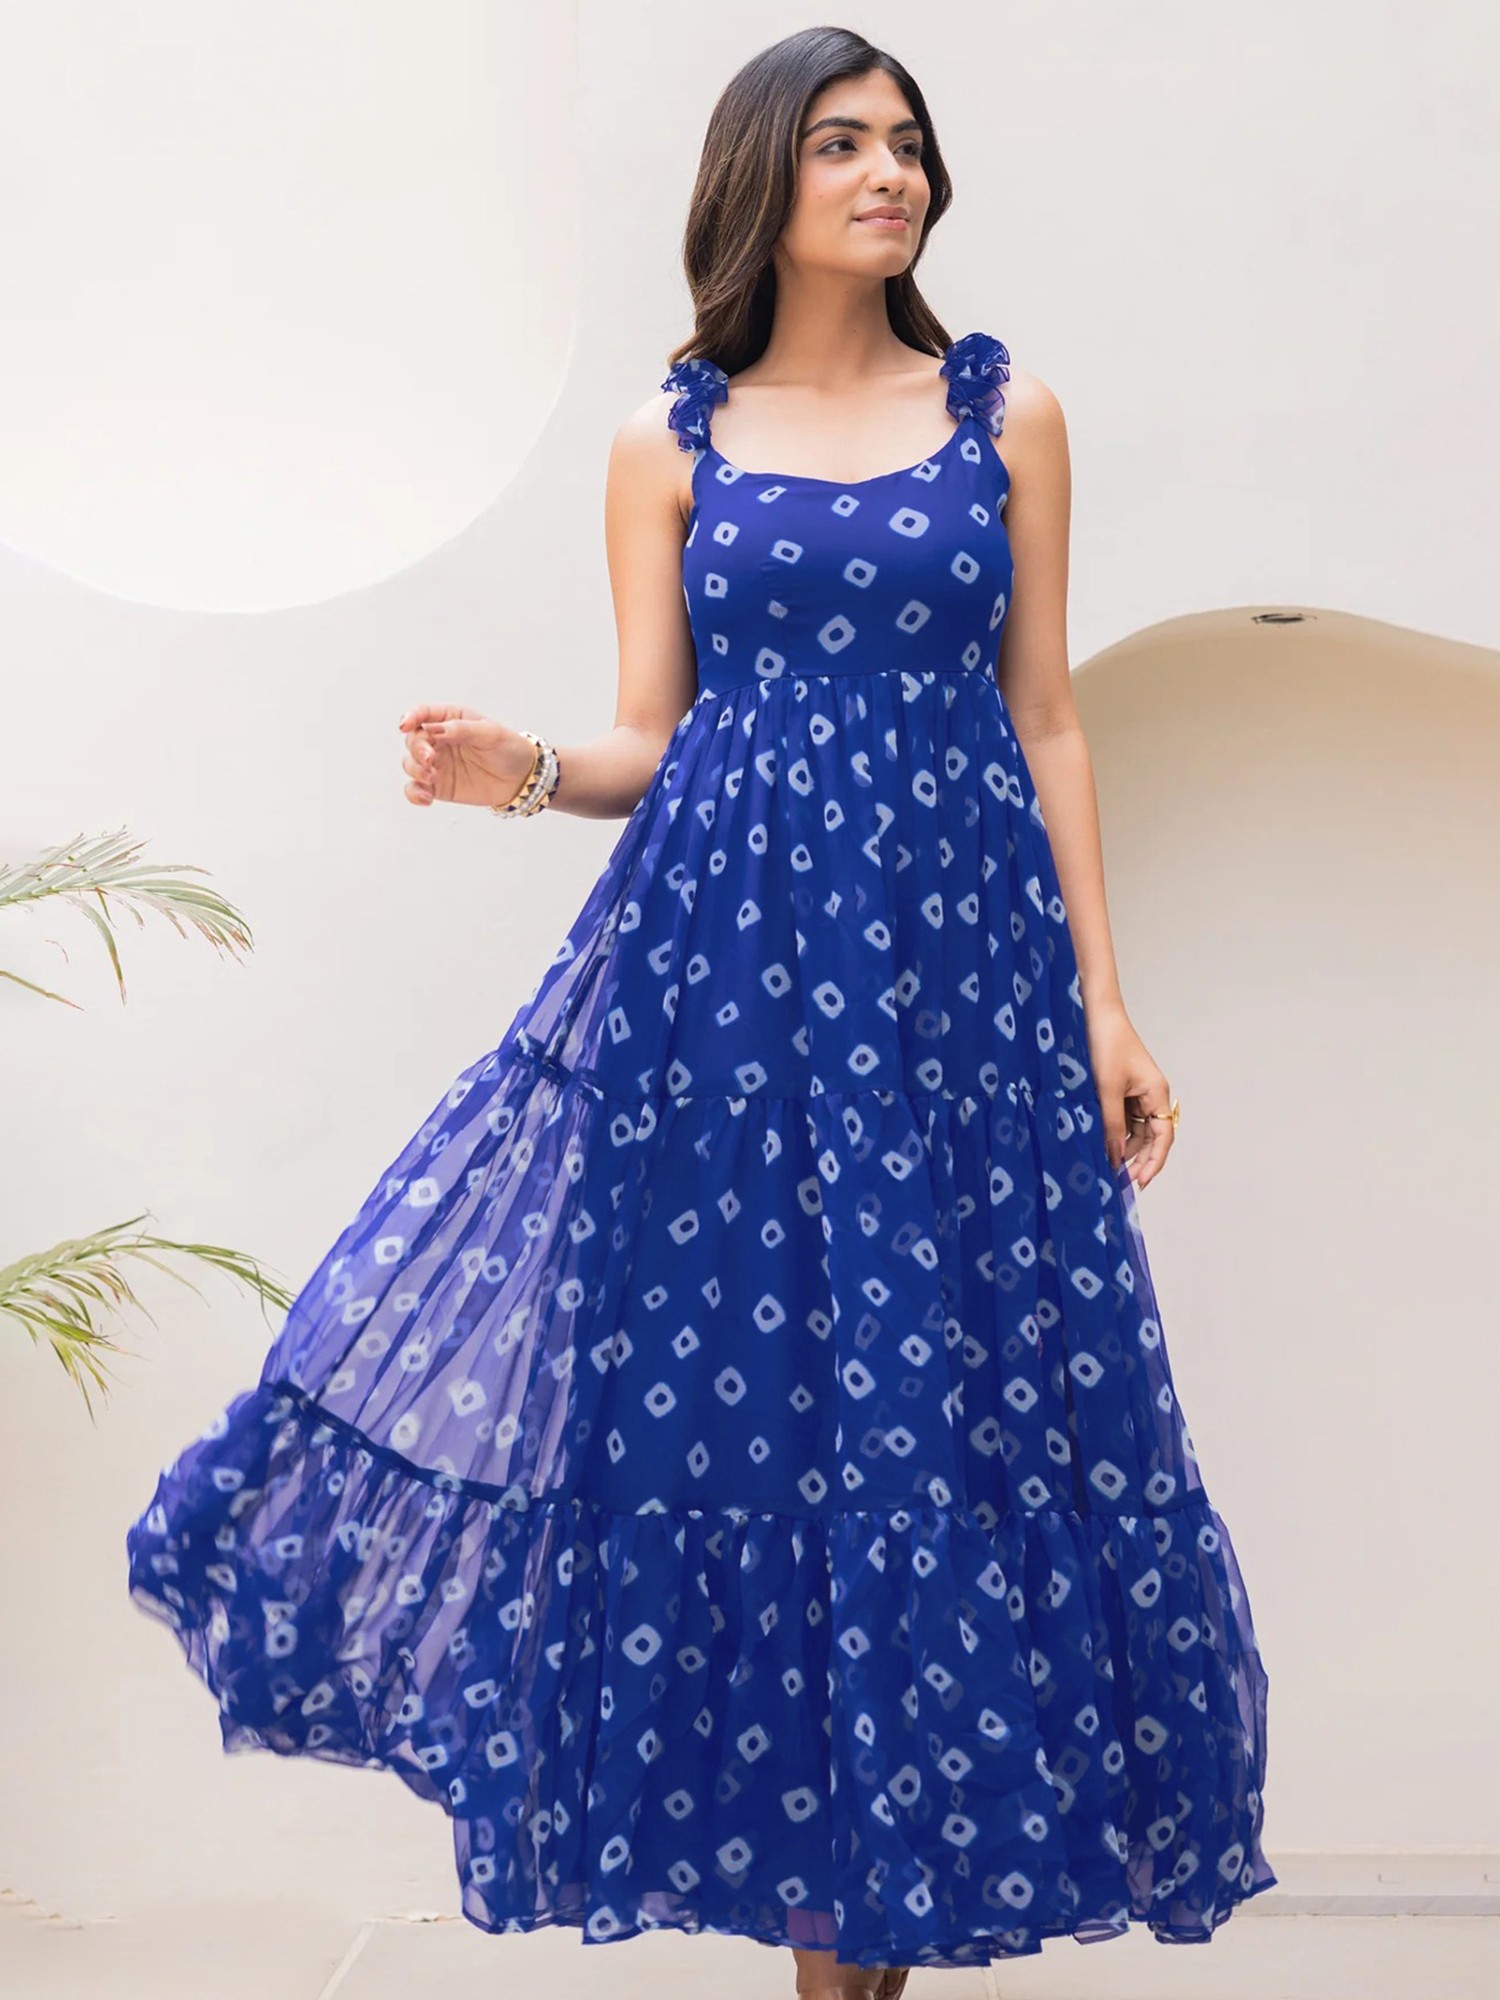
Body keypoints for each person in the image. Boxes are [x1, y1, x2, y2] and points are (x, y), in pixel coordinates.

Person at [126, 26, 1277, 1993]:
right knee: (762, 1432)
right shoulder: (669, 441)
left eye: (906, 143)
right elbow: (652, 739)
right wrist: (515, 769)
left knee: (935, 1430)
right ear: (763, 177)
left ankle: (872, 1942)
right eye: (843, 143)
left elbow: (1047, 716)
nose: (890, 173)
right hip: (724, 1011)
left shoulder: (1007, 416)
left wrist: (1105, 1002)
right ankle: (830, 1942)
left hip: (957, 1004)